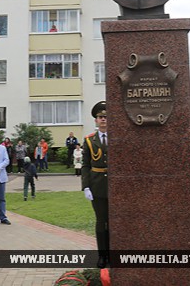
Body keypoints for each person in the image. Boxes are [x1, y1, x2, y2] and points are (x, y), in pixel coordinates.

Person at [82, 101, 110, 268]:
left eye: (106, 117)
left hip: (115, 186)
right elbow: (85, 165)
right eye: (100, 117)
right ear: (96, 120)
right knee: (101, 222)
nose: (103, 120)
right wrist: (86, 186)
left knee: (114, 222)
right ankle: (102, 256)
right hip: (97, 185)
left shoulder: (118, 137)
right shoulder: (89, 140)